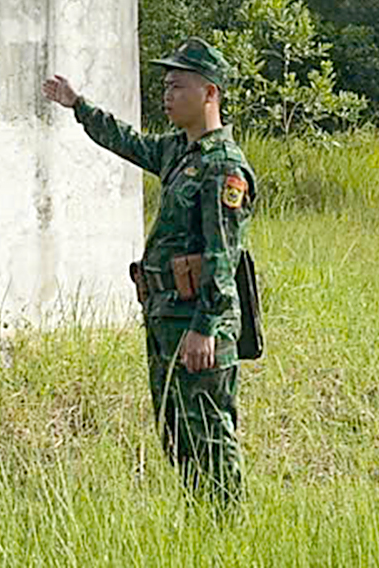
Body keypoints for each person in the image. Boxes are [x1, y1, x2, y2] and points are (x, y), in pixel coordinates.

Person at [43, 38, 256, 503]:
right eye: (165, 86)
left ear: (210, 94)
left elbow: (223, 257)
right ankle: (202, 525)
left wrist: (205, 329)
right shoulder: (179, 152)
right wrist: (78, 105)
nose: (167, 95)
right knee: (177, 433)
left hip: (196, 326)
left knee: (209, 434)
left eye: (178, 86)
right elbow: (128, 141)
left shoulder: (224, 169)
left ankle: (227, 528)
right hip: (165, 317)